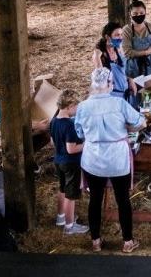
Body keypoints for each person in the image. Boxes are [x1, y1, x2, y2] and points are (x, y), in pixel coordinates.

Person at [74, 67, 145, 254]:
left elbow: (79, 133)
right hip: (117, 158)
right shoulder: (119, 103)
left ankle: (96, 241)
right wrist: (129, 128)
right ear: (109, 84)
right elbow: (139, 122)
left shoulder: (82, 107)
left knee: (95, 200)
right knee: (122, 199)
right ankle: (128, 241)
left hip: (93, 158)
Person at [50, 90, 88, 235]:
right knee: (71, 195)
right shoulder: (69, 125)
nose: (77, 109)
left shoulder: (54, 121)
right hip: (71, 163)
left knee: (62, 189)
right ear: (70, 105)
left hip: (58, 160)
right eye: (77, 106)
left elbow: (52, 141)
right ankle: (70, 226)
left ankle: (61, 217)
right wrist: (86, 144)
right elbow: (71, 149)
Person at [94, 22, 138, 108]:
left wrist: (130, 80)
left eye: (121, 35)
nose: (120, 38)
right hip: (112, 98)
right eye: (117, 35)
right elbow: (100, 80)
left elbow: (122, 72)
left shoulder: (118, 49)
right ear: (107, 37)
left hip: (125, 95)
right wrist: (97, 58)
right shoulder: (100, 55)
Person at [122, 0, 151, 77]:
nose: (139, 15)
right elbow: (127, 52)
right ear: (130, 14)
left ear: (145, 12)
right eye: (135, 14)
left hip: (148, 65)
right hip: (132, 67)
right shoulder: (127, 30)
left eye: (141, 13)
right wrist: (146, 52)